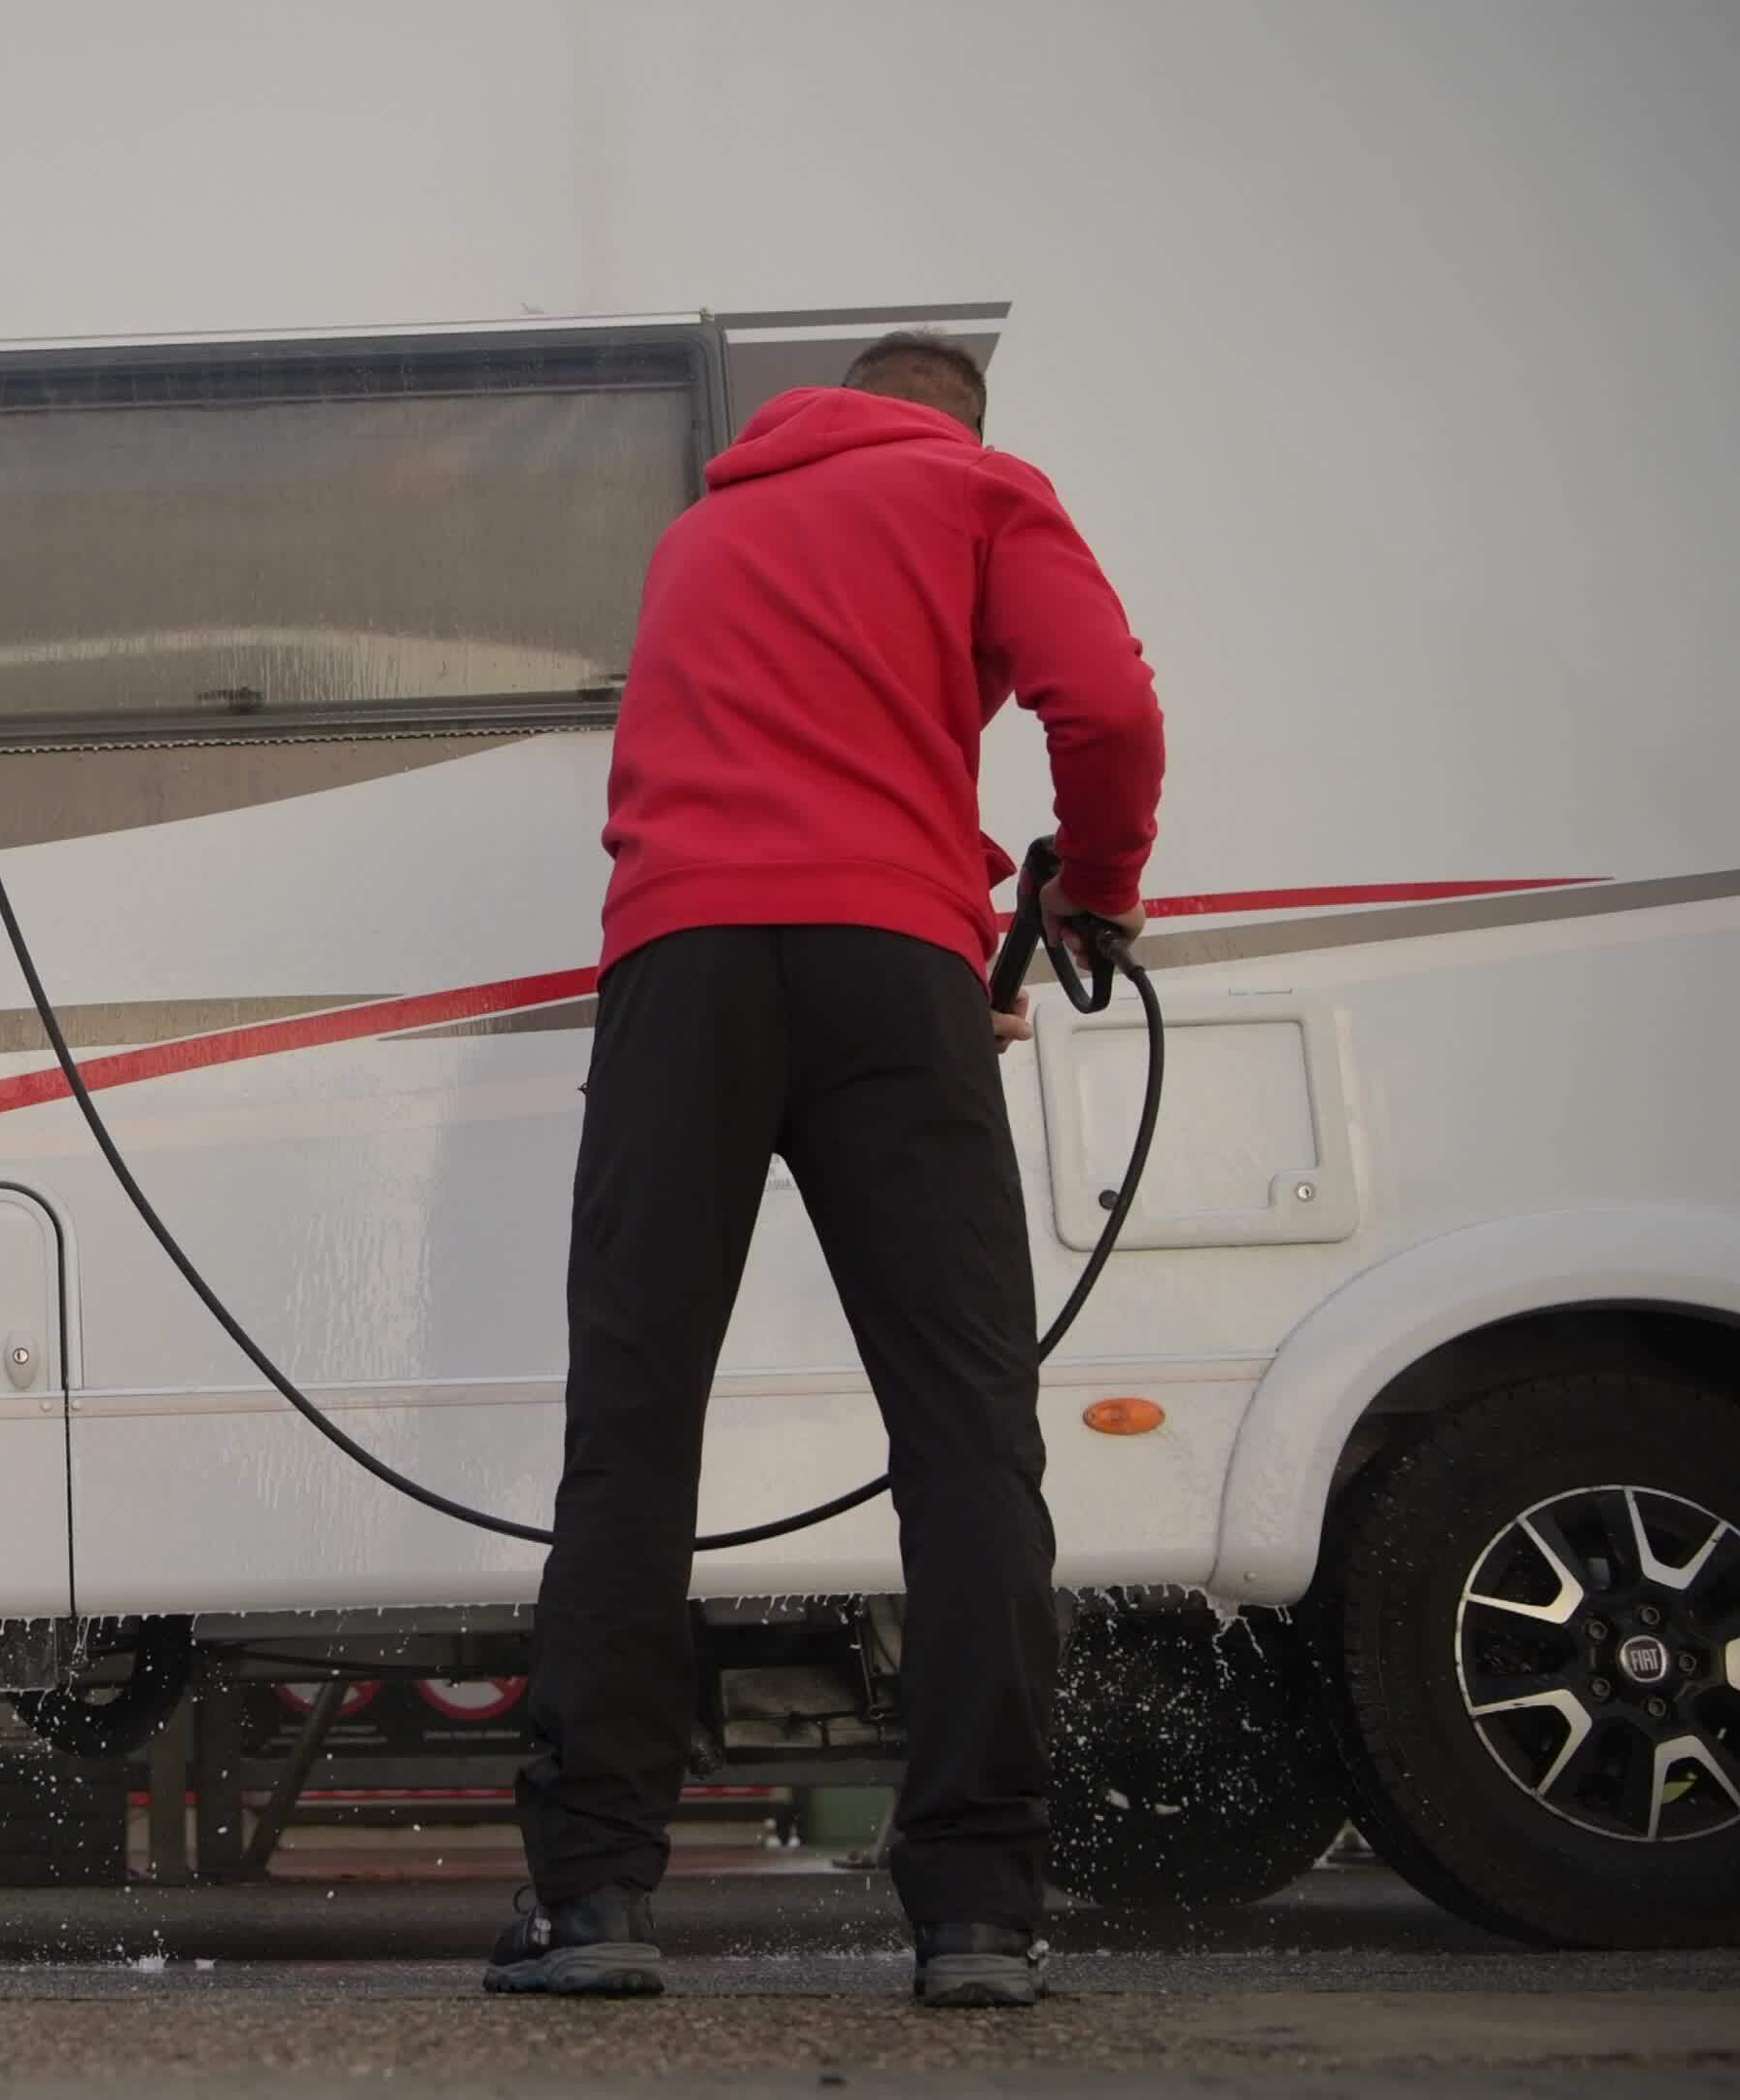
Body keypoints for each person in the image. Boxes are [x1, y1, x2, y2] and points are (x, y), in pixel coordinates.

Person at [489, 332, 1166, 2009]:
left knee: (633, 1435)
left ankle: (593, 1906)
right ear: (966, 422)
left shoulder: (700, 532)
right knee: (963, 1437)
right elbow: (1109, 707)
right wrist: (1092, 891)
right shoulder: (980, 490)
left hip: (679, 968)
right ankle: (979, 1918)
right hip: (891, 972)